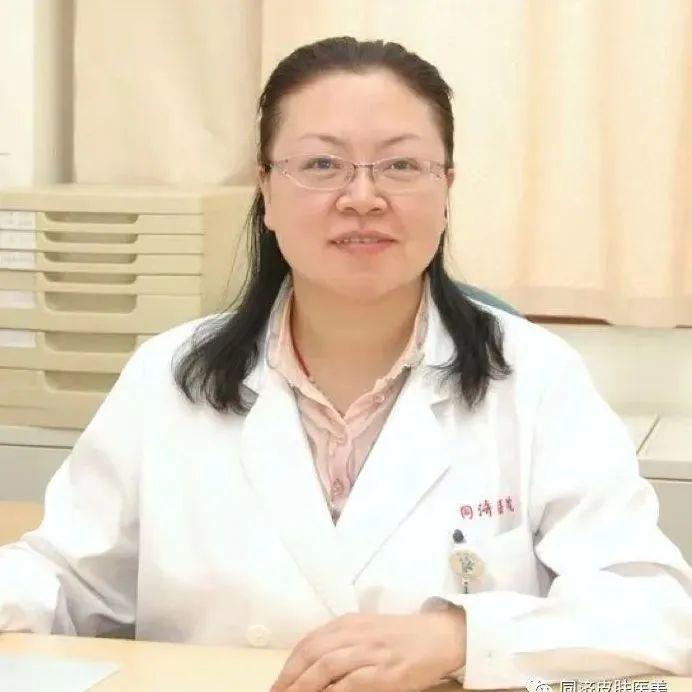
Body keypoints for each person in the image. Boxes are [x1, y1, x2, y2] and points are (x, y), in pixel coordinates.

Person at [0, 36, 690, 692]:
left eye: (401, 165)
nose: (363, 197)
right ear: (266, 191)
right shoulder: (169, 377)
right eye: (322, 165)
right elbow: (62, 582)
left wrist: (461, 638)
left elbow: (657, 611)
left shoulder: (535, 376)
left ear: (447, 189)